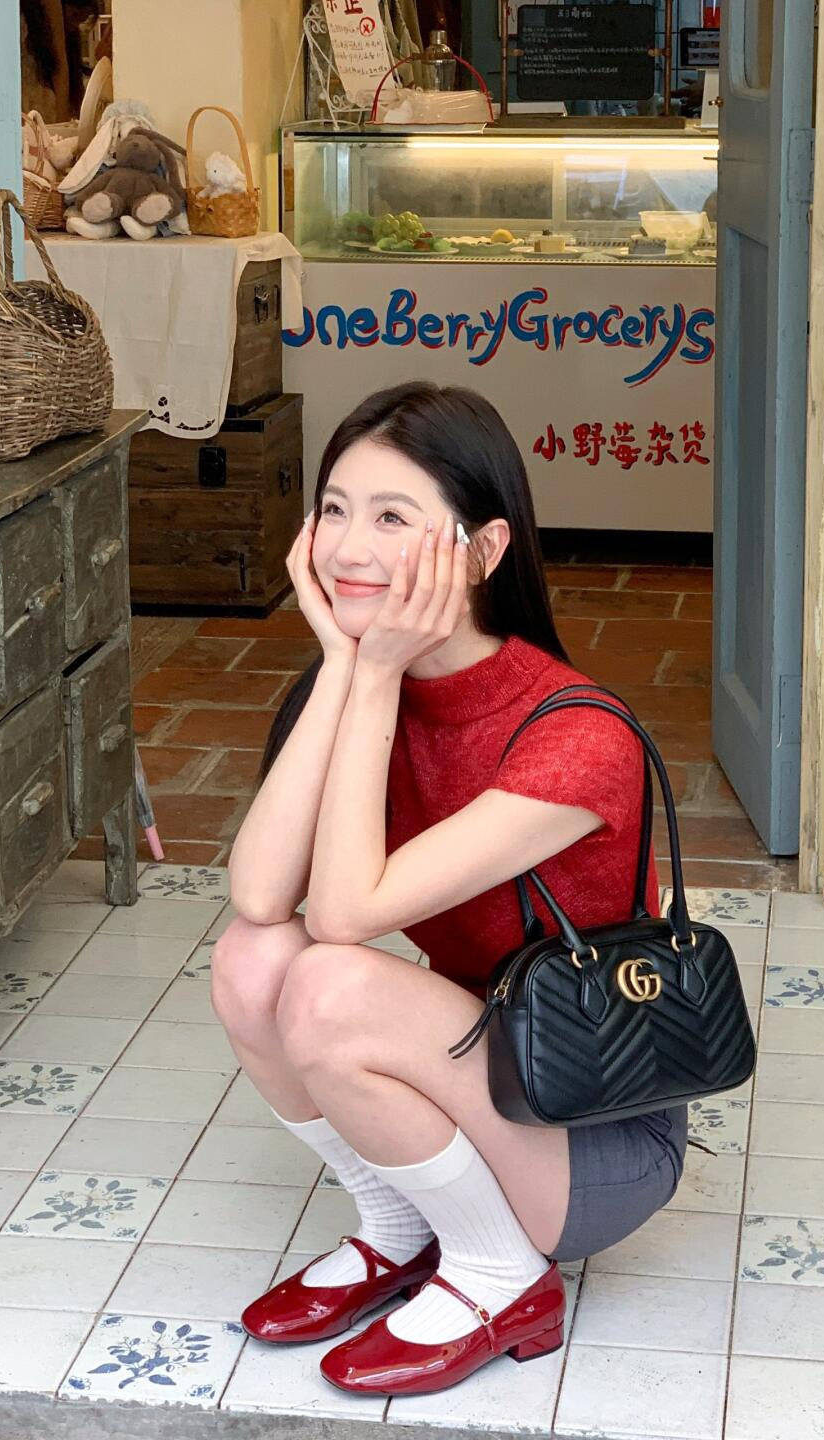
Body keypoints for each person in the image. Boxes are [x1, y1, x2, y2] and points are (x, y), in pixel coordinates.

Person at [212, 381, 689, 1397]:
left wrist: (374, 674)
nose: (347, 548)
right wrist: (344, 667)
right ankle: (398, 1226)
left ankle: (500, 1273)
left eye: (393, 518)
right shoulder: (370, 684)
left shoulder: (577, 735)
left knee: (331, 983)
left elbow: (342, 917)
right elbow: (258, 895)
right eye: (334, 509)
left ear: (483, 550)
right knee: (254, 960)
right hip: (481, 1070)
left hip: (590, 1137)